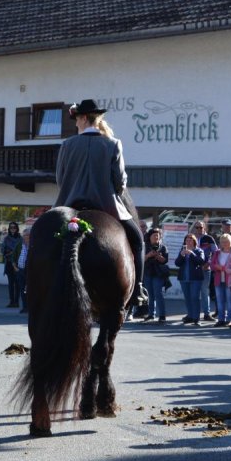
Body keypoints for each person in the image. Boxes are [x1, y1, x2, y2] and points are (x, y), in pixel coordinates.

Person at [55, 99, 146, 307]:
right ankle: (138, 289)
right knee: (138, 240)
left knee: (43, 236)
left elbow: (60, 180)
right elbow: (120, 182)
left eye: (76, 119)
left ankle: (33, 284)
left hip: (70, 206)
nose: (75, 123)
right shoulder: (113, 144)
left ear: (83, 118)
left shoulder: (67, 145)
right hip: (107, 207)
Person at [175, 233, 205, 326]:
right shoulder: (182, 250)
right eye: (187, 240)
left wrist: (192, 254)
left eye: (191, 239)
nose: (188, 241)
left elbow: (201, 261)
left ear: (194, 241)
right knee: (187, 298)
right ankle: (190, 316)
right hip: (184, 278)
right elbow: (177, 263)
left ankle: (196, 318)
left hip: (195, 279)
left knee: (195, 298)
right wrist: (181, 255)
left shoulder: (199, 250)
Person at [143, 228, 169, 323]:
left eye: (158, 236)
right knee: (150, 295)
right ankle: (151, 314)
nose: (156, 237)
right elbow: (141, 260)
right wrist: (148, 255)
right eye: (154, 235)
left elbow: (165, 261)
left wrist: (158, 256)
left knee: (158, 294)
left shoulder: (163, 247)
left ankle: (162, 315)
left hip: (158, 274)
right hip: (148, 273)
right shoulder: (145, 247)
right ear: (150, 237)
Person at [211, 233, 231, 327]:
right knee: (220, 301)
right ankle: (221, 319)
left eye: (227, 241)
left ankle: (229, 319)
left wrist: (224, 268)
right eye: (223, 242)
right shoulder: (217, 252)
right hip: (218, 280)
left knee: (230, 300)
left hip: (230, 280)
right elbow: (212, 265)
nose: (225, 243)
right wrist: (217, 267)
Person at [1, 222, 22, 308]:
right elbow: (2, 250)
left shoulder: (20, 239)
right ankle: (11, 301)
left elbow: (22, 249)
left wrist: (14, 252)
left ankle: (16, 302)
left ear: (17, 228)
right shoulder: (6, 239)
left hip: (18, 263)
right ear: (9, 229)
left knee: (17, 284)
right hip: (9, 263)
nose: (13, 229)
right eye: (11, 227)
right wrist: (8, 252)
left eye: (14, 227)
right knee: (10, 283)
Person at [13, 227, 29, 313]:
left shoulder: (33, 245)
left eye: (26, 235)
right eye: (24, 235)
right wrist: (15, 268)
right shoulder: (20, 244)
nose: (25, 237)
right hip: (20, 270)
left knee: (29, 289)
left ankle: (30, 307)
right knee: (22, 289)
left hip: (29, 271)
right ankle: (25, 307)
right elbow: (13, 256)